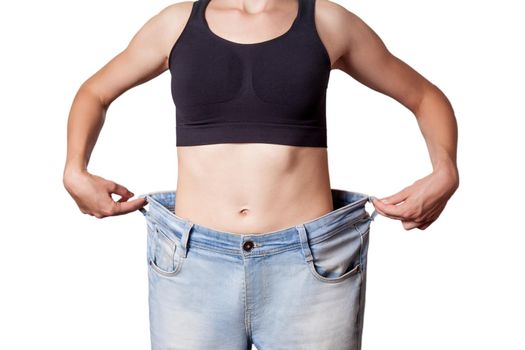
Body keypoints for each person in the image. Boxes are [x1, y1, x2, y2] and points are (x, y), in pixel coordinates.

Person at [63, 0, 459, 349]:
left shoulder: (328, 21)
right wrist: (74, 169)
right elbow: (94, 93)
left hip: (309, 268)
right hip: (193, 265)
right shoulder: (174, 24)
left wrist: (445, 170)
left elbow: (424, 97)